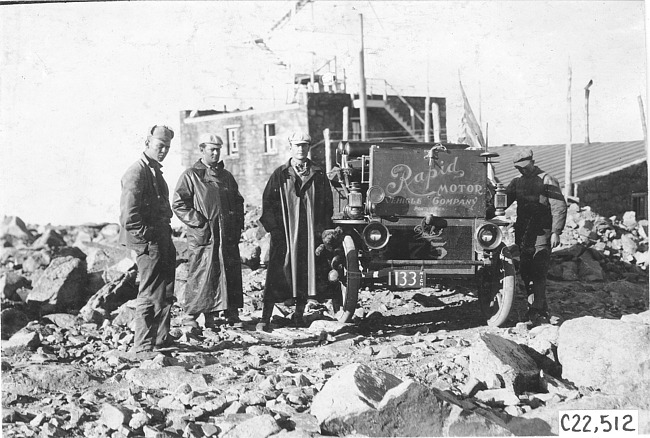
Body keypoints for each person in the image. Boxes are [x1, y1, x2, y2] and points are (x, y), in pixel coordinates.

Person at [257, 132, 333, 331]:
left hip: (309, 233)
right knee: (276, 272)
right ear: (290, 147)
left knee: (305, 272)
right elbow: (268, 203)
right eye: (297, 145)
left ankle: (298, 314)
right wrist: (275, 230)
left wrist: (321, 231)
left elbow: (327, 205)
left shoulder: (318, 174)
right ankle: (265, 317)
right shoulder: (280, 174)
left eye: (305, 146)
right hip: (285, 233)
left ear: (309, 148)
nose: (301, 149)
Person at [172, 133, 245, 329]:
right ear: (202, 150)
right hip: (204, 235)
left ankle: (232, 313)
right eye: (211, 149)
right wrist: (200, 222)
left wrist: (237, 225)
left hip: (226, 233)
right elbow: (179, 203)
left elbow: (238, 202)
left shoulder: (226, 176)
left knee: (229, 271)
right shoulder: (191, 175)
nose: (215, 152)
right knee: (202, 272)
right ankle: (194, 314)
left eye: (217, 149)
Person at [119, 125, 177, 357]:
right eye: (159, 146)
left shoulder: (154, 171)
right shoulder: (137, 172)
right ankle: (143, 346)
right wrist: (147, 239)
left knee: (166, 291)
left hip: (160, 239)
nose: (163, 151)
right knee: (150, 291)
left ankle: (160, 339)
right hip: (149, 242)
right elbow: (128, 217)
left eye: (167, 148)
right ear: (147, 143)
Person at [506, 148, 567, 326]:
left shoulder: (547, 180)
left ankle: (535, 310)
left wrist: (556, 232)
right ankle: (539, 308)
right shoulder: (517, 183)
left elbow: (559, 207)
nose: (522, 170)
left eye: (525, 167)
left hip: (543, 233)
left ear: (532, 162)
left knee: (539, 270)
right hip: (524, 234)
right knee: (526, 271)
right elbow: (501, 202)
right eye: (519, 168)